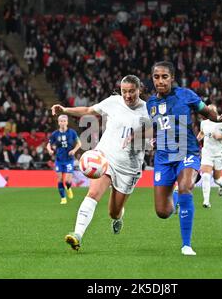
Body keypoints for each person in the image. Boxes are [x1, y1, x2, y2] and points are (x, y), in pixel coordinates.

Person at [51, 75, 149, 251]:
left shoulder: (148, 110)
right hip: (105, 157)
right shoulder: (113, 102)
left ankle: (118, 217)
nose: (127, 95)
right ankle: (77, 235)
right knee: (93, 193)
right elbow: (89, 111)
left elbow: (151, 137)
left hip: (129, 167)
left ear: (139, 90)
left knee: (113, 211)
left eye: (131, 91)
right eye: (124, 91)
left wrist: (142, 140)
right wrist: (65, 110)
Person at [147, 61, 222, 256]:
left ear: (172, 78)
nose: (160, 81)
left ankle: (186, 244)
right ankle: (178, 193)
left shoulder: (185, 95)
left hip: (187, 151)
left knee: (185, 187)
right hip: (163, 157)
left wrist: (216, 118)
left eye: (164, 76)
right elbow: (156, 125)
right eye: (156, 77)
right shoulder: (150, 103)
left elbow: (205, 110)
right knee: (163, 212)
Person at [196, 104, 222, 209]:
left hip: (219, 153)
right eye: (208, 110)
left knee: (216, 179)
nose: (210, 112)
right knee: (205, 176)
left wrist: (220, 137)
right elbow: (201, 133)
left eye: (212, 110)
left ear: (216, 112)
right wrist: (197, 139)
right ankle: (206, 201)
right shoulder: (204, 123)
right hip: (207, 153)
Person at [47, 115, 81, 204]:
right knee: (60, 179)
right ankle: (63, 198)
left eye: (64, 121)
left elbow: (79, 143)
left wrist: (74, 150)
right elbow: (48, 144)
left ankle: (69, 188)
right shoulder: (55, 134)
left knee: (68, 181)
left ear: (67, 122)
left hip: (69, 160)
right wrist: (50, 150)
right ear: (58, 122)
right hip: (59, 160)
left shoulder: (72, 132)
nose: (62, 123)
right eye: (61, 121)